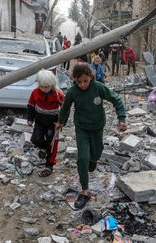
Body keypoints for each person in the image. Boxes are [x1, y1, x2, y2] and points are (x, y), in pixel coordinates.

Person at [55, 63, 127, 209]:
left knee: (97, 151)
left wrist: (122, 118)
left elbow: (116, 99)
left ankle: (93, 160)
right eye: (79, 81)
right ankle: (85, 190)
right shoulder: (72, 92)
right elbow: (65, 108)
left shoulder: (98, 87)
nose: (82, 84)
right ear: (74, 80)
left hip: (97, 126)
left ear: (91, 77)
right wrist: (60, 122)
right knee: (82, 158)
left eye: (85, 81)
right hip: (81, 128)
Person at [27, 69, 65, 177]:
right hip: (39, 120)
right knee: (35, 139)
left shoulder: (58, 94)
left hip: (53, 123)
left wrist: (62, 122)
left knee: (52, 144)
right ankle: (43, 148)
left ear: (52, 85)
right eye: (42, 86)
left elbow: (65, 109)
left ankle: (49, 165)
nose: (44, 89)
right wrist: (30, 119)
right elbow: (31, 105)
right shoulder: (35, 92)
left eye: (47, 87)